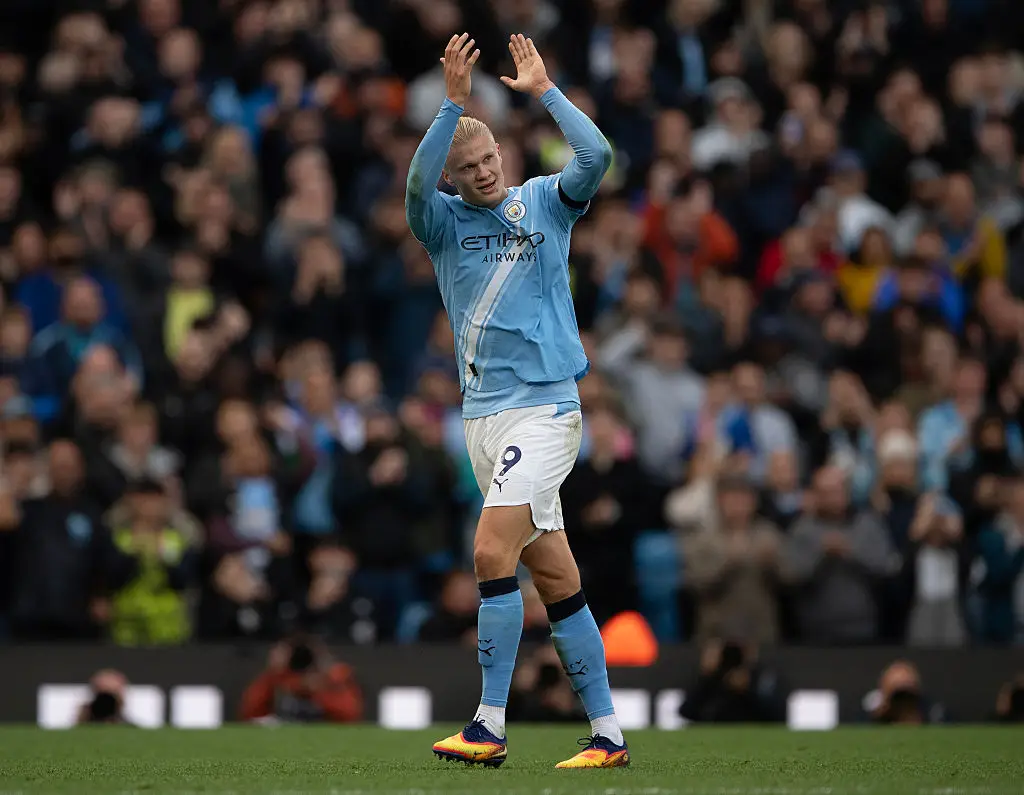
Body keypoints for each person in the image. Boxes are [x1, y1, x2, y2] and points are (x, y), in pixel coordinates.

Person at [406, 33, 625, 769]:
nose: (483, 171)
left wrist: (547, 93)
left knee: (489, 549)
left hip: (546, 411)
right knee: (557, 577)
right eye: (467, 168)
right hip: (483, 419)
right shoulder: (442, 225)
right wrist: (453, 108)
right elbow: (413, 187)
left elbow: (596, 159)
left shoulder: (545, 203)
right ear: (455, 179)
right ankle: (608, 735)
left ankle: (489, 724)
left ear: (504, 151)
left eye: (489, 157)